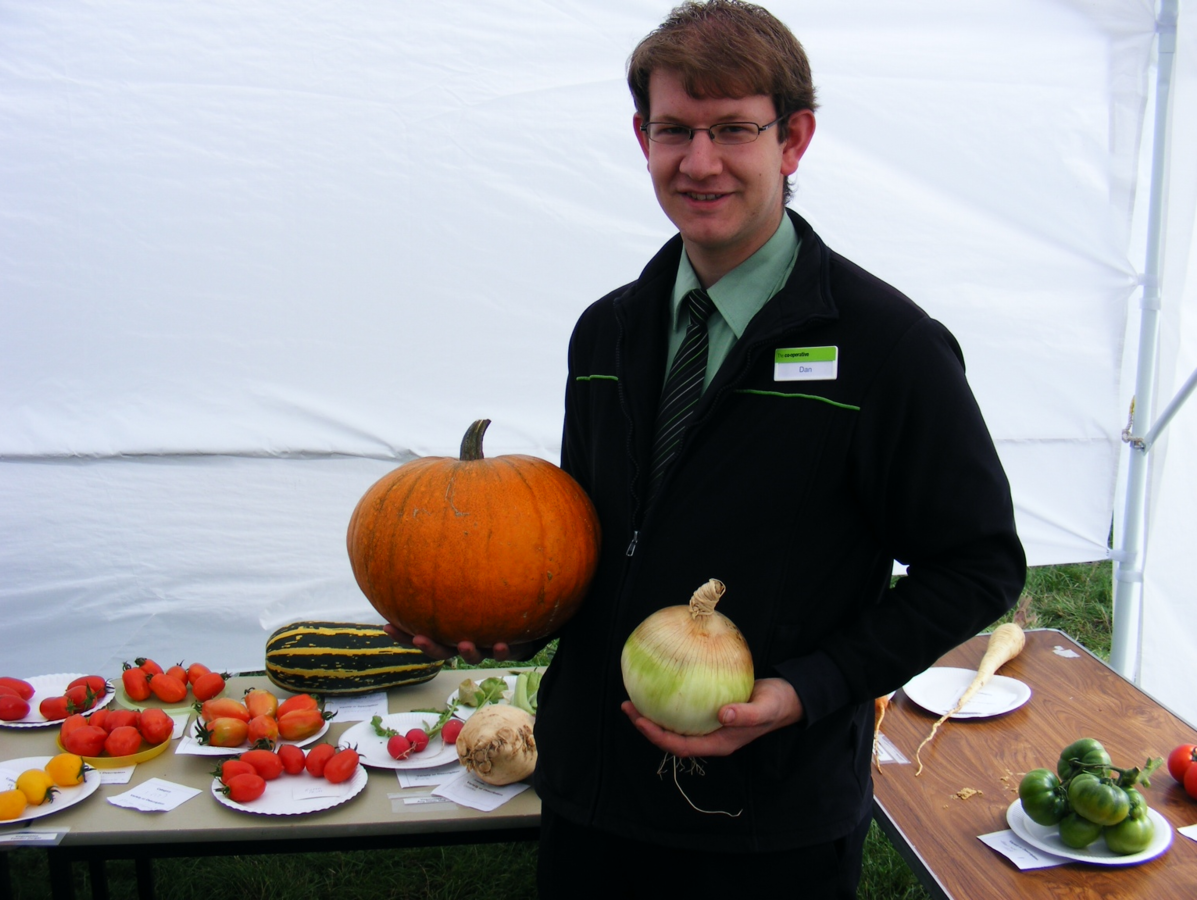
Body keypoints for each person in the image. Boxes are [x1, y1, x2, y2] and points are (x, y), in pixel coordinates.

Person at [387, 2, 1025, 897]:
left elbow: (977, 565)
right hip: (592, 794)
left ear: (793, 139)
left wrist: (803, 689)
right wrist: (499, 614)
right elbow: (609, 542)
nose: (700, 161)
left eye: (734, 129)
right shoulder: (605, 334)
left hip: (766, 818)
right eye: (674, 130)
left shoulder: (889, 348)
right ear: (641, 137)